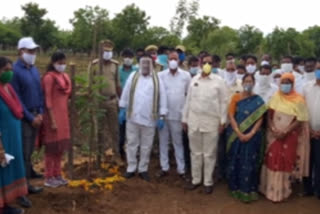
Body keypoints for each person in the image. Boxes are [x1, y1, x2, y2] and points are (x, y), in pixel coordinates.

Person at [260, 72, 310, 202]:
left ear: (293, 84)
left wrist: (286, 131)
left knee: (286, 161)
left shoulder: (299, 100)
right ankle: (269, 189)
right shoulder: (275, 97)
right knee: (271, 159)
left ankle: (283, 190)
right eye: (283, 82)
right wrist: (272, 128)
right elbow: (269, 115)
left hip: (289, 136)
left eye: (288, 83)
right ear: (279, 83)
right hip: (273, 135)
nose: (285, 85)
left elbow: (300, 119)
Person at [182, 54, 228, 194]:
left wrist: (222, 121)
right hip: (194, 121)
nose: (207, 64)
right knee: (195, 152)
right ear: (200, 64)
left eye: (210, 62)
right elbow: (188, 101)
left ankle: (208, 181)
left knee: (209, 154)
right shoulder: (194, 79)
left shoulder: (219, 81)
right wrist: (184, 119)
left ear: (213, 65)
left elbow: (224, 102)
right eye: (205, 62)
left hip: (211, 123)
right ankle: (196, 180)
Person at [119, 55, 167, 182]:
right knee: (131, 143)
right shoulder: (133, 76)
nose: (145, 66)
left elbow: (163, 97)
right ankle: (131, 168)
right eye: (143, 63)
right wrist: (122, 108)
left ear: (152, 65)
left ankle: (143, 169)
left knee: (146, 146)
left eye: (148, 63)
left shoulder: (157, 79)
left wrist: (162, 115)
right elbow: (125, 92)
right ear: (139, 64)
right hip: (133, 117)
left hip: (150, 118)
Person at [11, 37, 43, 208]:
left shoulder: (34, 70)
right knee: (22, 155)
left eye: (34, 51)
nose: (33, 54)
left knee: (29, 154)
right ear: (21, 51)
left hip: (36, 115)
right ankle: (21, 191)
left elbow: (39, 93)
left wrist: (41, 113)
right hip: (25, 119)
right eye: (30, 51)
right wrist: (31, 118)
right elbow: (17, 99)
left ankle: (27, 185)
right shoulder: (15, 71)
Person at [226, 74, 267, 203]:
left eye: (250, 81)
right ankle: (235, 188)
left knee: (250, 162)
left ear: (254, 83)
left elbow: (260, 119)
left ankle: (248, 189)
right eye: (246, 81)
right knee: (236, 161)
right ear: (242, 83)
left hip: (252, 137)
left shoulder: (258, 100)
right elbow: (231, 116)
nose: (248, 84)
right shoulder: (236, 97)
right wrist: (238, 132)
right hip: (236, 135)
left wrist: (251, 133)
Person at [157, 51, 191, 178]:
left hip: (178, 115)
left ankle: (181, 169)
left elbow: (188, 95)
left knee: (178, 143)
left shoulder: (186, 76)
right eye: (171, 59)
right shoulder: (160, 75)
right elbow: (158, 95)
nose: (173, 61)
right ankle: (164, 167)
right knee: (163, 142)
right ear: (167, 61)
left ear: (179, 61)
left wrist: (186, 116)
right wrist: (159, 114)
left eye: (175, 59)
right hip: (163, 115)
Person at [0, 57, 28, 214]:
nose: (9, 73)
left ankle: (9, 201)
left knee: (11, 168)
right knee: (2, 170)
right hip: (2, 140)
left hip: (13, 137)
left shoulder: (9, 89)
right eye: (5, 70)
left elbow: (17, 110)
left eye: (11, 70)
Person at [88, 39, 122, 165]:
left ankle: (116, 155)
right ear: (100, 51)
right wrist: (91, 103)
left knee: (115, 130)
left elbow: (118, 85)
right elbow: (90, 86)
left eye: (110, 51)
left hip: (112, 101)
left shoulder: (115, 65)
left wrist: (121, 103)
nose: (107, 53)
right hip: (98, 102)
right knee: (100, 130)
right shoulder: (94, 65)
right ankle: (100, 156)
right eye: (105, 51)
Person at [41, 52, 71, 188]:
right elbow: (47, 100)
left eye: (64, 62)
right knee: (51, 148)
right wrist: (52, 120)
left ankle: (57, 174)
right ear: (53, 63)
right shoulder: (49, 78)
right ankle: (49, 176)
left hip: (63, 116)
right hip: (52, 116)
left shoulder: (65, 77)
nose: (62, 65)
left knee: (60, 147)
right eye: (59, 63)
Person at [303, 62, 320, 199]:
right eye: (318, 69)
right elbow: (303, 109)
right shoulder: (307, 87)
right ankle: (307, 189)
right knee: (307, 161)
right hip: (307, 131)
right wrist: (309, 128)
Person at [118, 49, 138, 160]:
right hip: (121, 103)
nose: (128, 59)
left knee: (133, 131)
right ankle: (121, 152)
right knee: (121, 131)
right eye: (126, 56)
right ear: (122, 58)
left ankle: (133, 153)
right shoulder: (118, 70)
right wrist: (122, 104)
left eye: (130, 57)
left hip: (135, 105)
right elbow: (117, 86)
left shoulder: (137, 70)